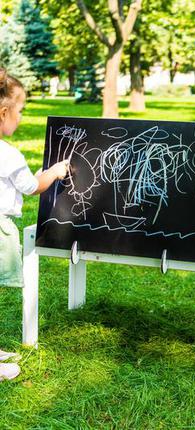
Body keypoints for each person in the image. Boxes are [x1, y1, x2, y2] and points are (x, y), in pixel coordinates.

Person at [0, 68, 69, 382]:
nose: (21, 118)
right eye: (21, 111)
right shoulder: (9, 155)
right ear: (4, 112)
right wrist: (53, 172)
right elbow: (31, 186)